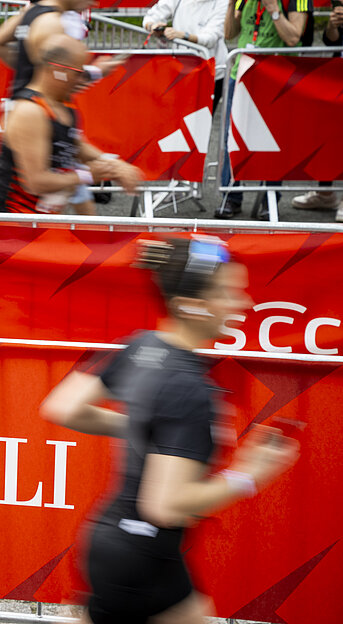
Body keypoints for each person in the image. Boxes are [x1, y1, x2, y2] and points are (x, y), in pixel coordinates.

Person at [40, 236, 300, 624]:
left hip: (119, 546)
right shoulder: (191, 389)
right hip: (141, 560)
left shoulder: (141, 347)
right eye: (228, 294)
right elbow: (165, 505)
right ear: (190, 306)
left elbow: (62, 407)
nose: (243, 303)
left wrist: (144, 427)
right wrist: (249, 476)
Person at [0, 35, 142, 214]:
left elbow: (75, 144)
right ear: (57, 71)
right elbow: (36, 182)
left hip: (37, 223)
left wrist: (114, 164)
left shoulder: (63, 104)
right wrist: (87, 176)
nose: (82, 80)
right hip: (9, 225)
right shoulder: (30, 112)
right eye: (78, 73)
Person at [217, 0, 312, 219]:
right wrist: (231, 6)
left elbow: (293, 38)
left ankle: (269, 198)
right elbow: (230, 33)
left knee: (273, 139)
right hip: (241, 74)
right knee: (232, 136)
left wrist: (274, 11)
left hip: (277, 78)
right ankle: (230, 196)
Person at [290, 3, 342, 218]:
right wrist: (332, 25)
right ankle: (325, 191)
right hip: (336, 74)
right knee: (330, 133)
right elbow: (333, 41)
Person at [143, 0, 229, 111]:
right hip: (181, 72)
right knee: (177, 119)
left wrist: (183, 35)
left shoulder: (223, 3)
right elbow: (151, 16)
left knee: (202, 120)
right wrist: (153, 26)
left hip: (211, 73)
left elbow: (210, 37)